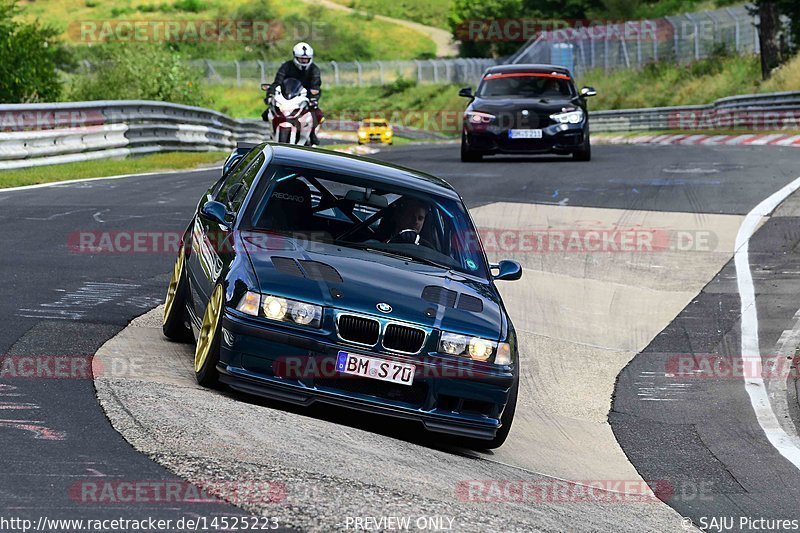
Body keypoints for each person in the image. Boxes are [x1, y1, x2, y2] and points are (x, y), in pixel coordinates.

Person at [266, 42, 323, 146]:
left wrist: (313, 98)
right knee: (267, 112)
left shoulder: (314, 69)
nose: (304, 61)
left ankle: (312, 134)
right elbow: (277, 82)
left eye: (306, 59)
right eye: (302, 59)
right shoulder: (286, 66)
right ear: (295, 57)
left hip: (304, 98)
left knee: (318, 114)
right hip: (287, 96)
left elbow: (316, 86)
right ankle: (272, 132)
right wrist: (270, 95)